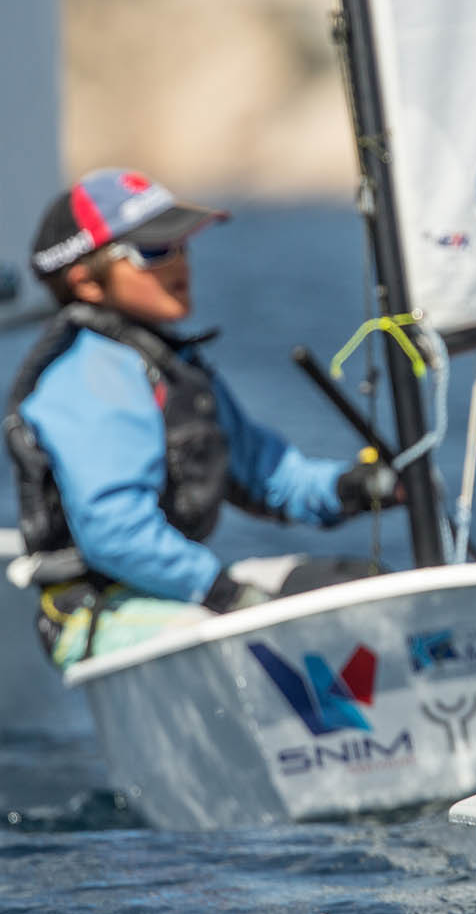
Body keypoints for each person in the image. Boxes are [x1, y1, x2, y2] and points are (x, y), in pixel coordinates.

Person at [7, 167, 401, 669]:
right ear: (84, 281)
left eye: (180, 245)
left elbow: (269, 474)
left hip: (174, 592)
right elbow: (114, 533)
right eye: (153, 251)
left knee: (362, 583)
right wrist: (219, 589)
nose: (180, 262)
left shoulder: (175, 369)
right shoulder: (85, 378)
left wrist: (358, 487)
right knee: (240, 638)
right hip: (101, 613)